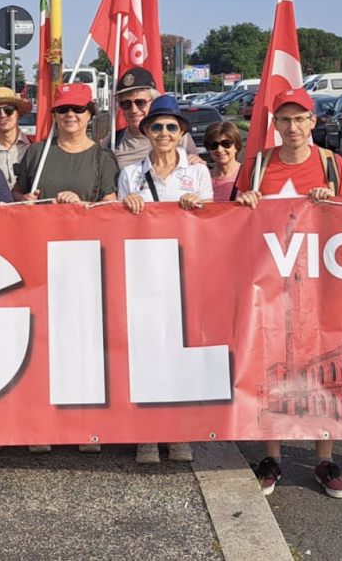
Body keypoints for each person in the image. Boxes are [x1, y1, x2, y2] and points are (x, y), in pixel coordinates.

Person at [236, 88, 342, 499]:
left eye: (299, 119)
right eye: (284, 120)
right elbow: (236, 219)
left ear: (313, 122)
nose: (292, 127)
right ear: (276, 125)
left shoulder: (332, 163)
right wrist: (246, 201)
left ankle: (324, 458)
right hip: (269, 283)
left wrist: (331, 201)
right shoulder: (257, 166)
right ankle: (273, 457)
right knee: (269, 368)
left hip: (320, 284)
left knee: (325, 369)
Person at [14, 82, 119, 453]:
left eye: (77, 110)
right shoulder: (37, 154)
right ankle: (43, 423)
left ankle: (85, 422)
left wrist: (80, 206)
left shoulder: (103, 159)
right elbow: (17, 197)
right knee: (42, 343)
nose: (70, 116)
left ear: (91, 115)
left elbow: (110, 206)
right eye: (62, 110)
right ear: (54, 115)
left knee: (84, 345)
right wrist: (25, 202)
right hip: (39, 261)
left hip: (85, 261)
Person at [116, 95, 212, 465]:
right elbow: (118, 226)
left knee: (180, 356)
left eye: (172, 127)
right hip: (143, 274)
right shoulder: (130, 175)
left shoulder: (197, 173)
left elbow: (211, 223)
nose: (164, 133)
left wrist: (198, 206)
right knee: (146, 354)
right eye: (157, 126)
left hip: (186, 274)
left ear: (182, 132)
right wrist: (129, 208)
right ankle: (146, 434)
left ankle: (178, 433)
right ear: (147, 131)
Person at [111, 67, 199, 169]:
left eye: (140, 102)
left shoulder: (176, 135)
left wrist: (196, 161)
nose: (133, 110)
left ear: (154, 102)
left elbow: (194, 170)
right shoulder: (113, 140)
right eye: (126, 104)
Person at [203, 121, 242, 201]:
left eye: (226, 144)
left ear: (236, 146)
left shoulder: (249, 176)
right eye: (214, 145)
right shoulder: (203, 178)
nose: (220, 150)